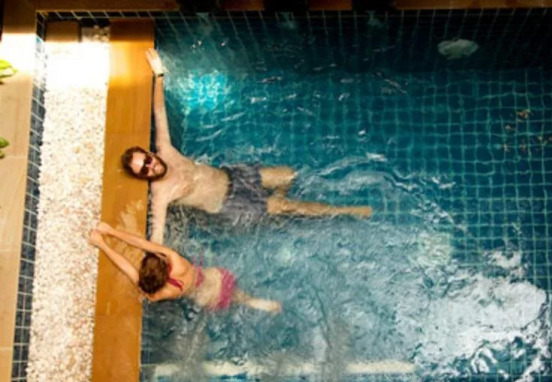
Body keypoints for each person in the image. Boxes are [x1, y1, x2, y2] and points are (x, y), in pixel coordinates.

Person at [122, 48, 372, 244]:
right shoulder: (161, 194)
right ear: (142, 177)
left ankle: (275, 212)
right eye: (143, 170)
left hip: (235, 175)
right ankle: (348, 210)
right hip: (232, 206)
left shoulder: (165, 150)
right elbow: (157, 235)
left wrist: (159, 75)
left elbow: (159, 111)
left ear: (150, 153)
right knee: (288, 206)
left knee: (289, 175)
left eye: (147, 161)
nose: (150, 167)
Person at [88, 222, 281, 313]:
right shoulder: (175, 260)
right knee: (241, 297)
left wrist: (102, 245)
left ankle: (258, 304)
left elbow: (127, 269)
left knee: (236, 301)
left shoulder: (159, 293)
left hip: (208, 298)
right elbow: (143, 244)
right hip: (217, 277)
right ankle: (261, 303)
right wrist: (111, 231)